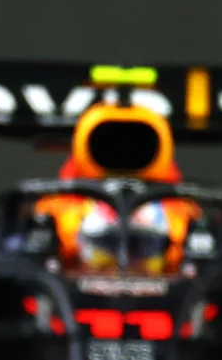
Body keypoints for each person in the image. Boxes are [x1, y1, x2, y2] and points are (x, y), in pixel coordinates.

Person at [29, 102, 206, 274]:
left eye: (138, 247)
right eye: (108, 243)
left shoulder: (180, 210)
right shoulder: (61, 207)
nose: (124, 261)